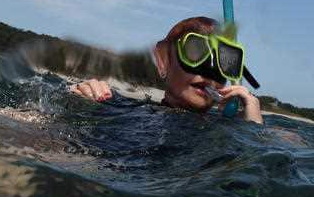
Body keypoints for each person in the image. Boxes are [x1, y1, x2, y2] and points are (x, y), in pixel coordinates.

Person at [70, 16, 263, 124]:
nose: (208, 73)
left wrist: (253, 124)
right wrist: (82, 98)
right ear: (164, 61)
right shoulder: (122, 109)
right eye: (195, 53)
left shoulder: (233, 127)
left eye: (223, 62)